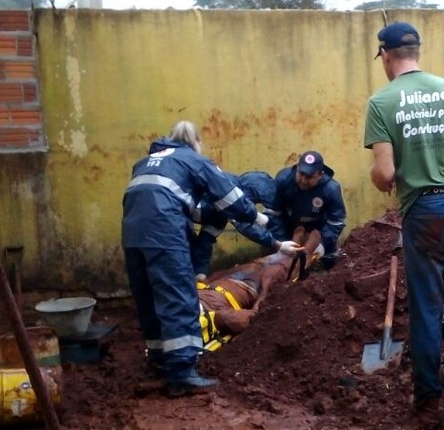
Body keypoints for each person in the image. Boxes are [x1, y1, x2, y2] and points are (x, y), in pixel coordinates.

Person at [363, 21, 444, 426]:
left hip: (424, 212)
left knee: (427, 309)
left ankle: (428, 403)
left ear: (386, 56)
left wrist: (408, 167)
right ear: (417, 51)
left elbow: (385, 175)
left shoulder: (381, 102)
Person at [121, 120, 268, 396]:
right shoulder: (193, 160)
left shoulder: (145, 162)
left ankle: (158, 361)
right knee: (178, 296)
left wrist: (199, 268)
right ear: (195, 143)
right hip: (164, 232)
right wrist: (256, 217)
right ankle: (181, 373)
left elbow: (196, 222)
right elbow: (228, 195)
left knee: (149, 297)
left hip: (133, 235)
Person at [197, 228, 322, 351]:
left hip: (220, 281)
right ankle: (307, 250)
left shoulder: (184, 301)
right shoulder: (215, 317)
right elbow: (245, 318)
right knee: (279, 270)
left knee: (257, 263)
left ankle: (292, 246)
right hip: (248, 286)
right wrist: (260, 302)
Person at [190, 170, 298, 280]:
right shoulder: (222, 200)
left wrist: (200, 271)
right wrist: (278, 244)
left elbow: (206, 240)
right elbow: (243, 223)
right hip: (178, 217)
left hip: (183, 218)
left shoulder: (219, 216)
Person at [257, 151, 347, 271]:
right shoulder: (283, 180)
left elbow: (336, 222)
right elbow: (274, 214)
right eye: (301, 174)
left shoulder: (331, 189)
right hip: (288, 225)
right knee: (280, 264)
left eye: (309, 177)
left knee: (330, 261)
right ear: (297, 168)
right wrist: (283, 243)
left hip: (318, 229)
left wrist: (322, 244)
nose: (303, 180)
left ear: (320, 175)